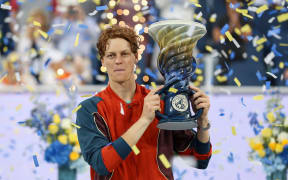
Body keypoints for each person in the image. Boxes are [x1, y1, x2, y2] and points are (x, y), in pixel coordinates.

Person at [76, 25, 212, 180]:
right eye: (111, 55)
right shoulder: (89, 109)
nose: (118, 61)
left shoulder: (161, 101)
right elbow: (101, 164)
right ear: (103, 61)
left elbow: (200, 160)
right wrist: (145, 120)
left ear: (136, 57)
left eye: (125, 54)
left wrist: (202, 122)